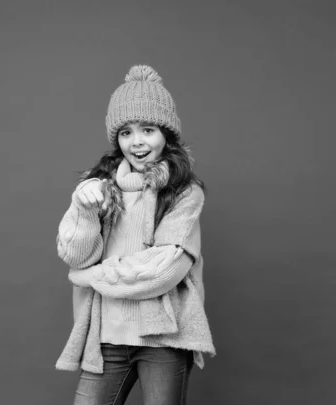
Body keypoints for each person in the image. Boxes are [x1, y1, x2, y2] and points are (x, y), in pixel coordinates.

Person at [54, 65, 215, 405]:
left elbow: (164, 270)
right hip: (106, 339)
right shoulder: (99, 188)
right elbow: (74, 256)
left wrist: (91, 276)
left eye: (148, 129)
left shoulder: (184, 192)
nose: (137, 141)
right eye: (125, 132)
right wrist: (83, 209)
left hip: (163, 341)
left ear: (166, 134)